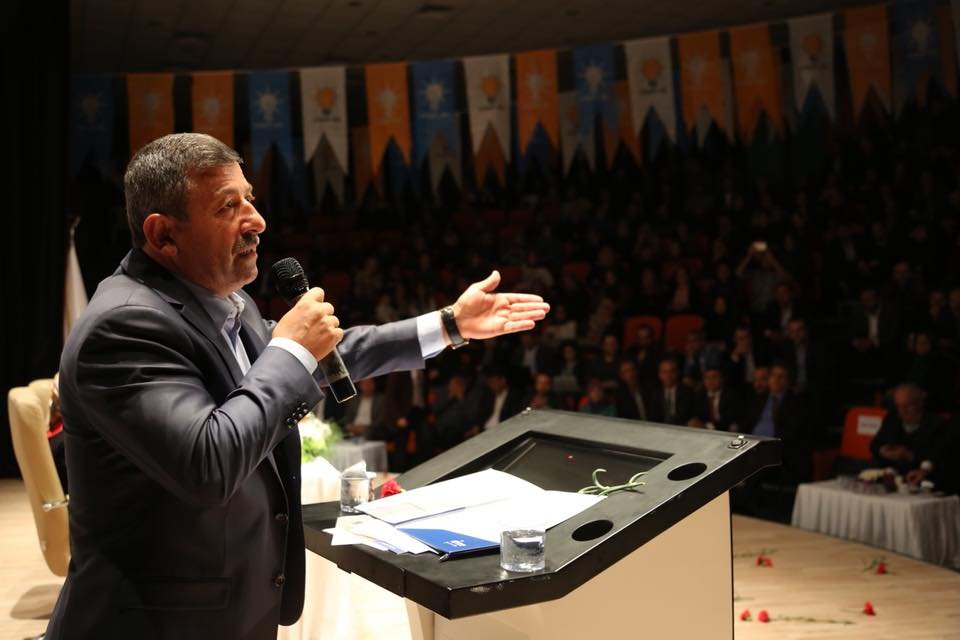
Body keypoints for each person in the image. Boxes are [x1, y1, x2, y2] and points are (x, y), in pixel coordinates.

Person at [47, 133, 549, 640]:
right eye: (228, 206)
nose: (256, 221)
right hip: (149, 623)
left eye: (251, 200)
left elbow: (328, 351)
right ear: (163, 236)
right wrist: (288, 348)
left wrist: (449, 324)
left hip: (226, 613)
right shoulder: (125, 326)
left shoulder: (218, 303)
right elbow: (208, 462)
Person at [869, 384, 950, 486]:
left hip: (919, 482)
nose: (903, 411)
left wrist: (911, 456)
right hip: (891, 478)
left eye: (908, 406)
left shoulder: (937, 425)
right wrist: (883, 450)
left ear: (920, 403)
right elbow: (875, 444)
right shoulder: (892, 419)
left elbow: (940, 460)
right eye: (899, 406)